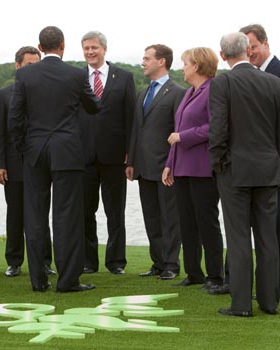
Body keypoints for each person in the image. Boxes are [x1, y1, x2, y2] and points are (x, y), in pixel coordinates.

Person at [8, 26, 100, 293]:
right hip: (67, 151)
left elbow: (15, 118)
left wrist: (25, 147)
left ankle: (38, 280)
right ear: (62, 45)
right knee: (67, 217)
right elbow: (94, 107)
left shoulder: (24, 74)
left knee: (35, 215)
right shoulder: (75, 74)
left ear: (40, 47)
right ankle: (68, 280)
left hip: (35, 152)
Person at [209, 32, 280, 316]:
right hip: (269, 170)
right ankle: (270, 303)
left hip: (234, 171)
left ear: (223, 55)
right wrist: (279, 166)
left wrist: (217, 164)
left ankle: (241, 304)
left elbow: (217, 129)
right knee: (268, 238)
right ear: (247, 50)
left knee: (239, 237)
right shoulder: (274, 82)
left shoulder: (223, 82)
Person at [240, 24, 280, 296]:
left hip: (277, 168)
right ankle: (261, 280)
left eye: (253, 47)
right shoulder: (248, 77)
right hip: (252, 168)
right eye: (246, 49)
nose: (250, 52)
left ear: (266, 43)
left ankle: (276, 283)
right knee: (259, 227)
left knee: (278, 224)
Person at [161, 47, 224, 290]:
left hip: (203, 169)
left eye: (185, 63)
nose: (182, 67)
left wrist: (183, 136)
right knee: (186, 223)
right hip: (182, 168)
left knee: (207, 223)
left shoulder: (213, 91)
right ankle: (194, 273)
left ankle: (216, 277)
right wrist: (169, 165)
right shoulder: (188, 92)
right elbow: (175, 134)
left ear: (196, 66)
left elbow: (215, 127)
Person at [0, 46, 55, 278]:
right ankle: (14, 261)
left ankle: (45, 262)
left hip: (41, 164)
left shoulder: (45, 93)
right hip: (13, 165)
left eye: (36, 65)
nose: (33, 69)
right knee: (15, 214)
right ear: (17, 65)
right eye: (29, 65)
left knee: (41, 214)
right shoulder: (3, 95)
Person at [78, 31, 136, 275]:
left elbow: (132, 120)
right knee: (84, 213)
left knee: (115, 212)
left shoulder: (124, 77)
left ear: (104, 49)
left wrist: (130, 156)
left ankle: (116, 262)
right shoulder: (76, 77)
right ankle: (88, 262)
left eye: (94, 48)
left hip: (115, 158)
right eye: (86, 48)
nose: (90, 52)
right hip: (83, 157)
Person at [126, 44, 185, 280]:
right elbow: (136, 129)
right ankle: (158, 263)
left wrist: (172, 164)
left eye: (147, 58)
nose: (143, 62)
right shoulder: (143, 93)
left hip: (166, 168)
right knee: (151, 216)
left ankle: (172, 264)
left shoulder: (177, 92)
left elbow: (178, 132)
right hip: (143, 167)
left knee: (170, 218)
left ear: (161, 61)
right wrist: (131, 160)